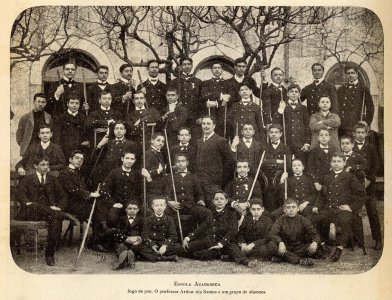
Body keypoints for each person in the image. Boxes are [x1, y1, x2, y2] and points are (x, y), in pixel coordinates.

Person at [16, 154, 77, 266]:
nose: (45, 167)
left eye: (47, 165)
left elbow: (63, 196)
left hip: (49, 213)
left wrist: (59, 207)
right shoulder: (27, 179)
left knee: (55, 218)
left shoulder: (52, 179)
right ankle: (63, 214)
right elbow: (20, 194)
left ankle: (50, 255)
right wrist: (26, 202)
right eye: (42, 165)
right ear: (35, 166)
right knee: (37, 206)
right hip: (30, 212)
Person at [312, 153, 367, 262]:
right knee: (314, 219)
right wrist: (316, 206)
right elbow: (322, 195)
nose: (336, 164)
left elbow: (363, 194)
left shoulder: (350, 177)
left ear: (344, 163)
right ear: (331, 163)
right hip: (329, 209)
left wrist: (351, 207)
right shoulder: (327, 177)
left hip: (342, 210)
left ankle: (339, 248)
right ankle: (323, 245)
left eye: (339, 161)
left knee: (345, 220)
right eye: (334, 161)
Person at [58, 150, 103, 250]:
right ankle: (95, 242)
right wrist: (90, 194)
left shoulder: (79, 172)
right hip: (70, 205)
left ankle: (97, 239)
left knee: (100, 208)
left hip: (80, 203)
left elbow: (83, 188)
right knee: (97, 212)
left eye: (82, 159)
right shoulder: (64, 173)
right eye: (77, 158)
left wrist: (93, 191)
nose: (79, 161)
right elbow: (73, 190)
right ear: (70, 159)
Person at [182, 191, 238, 262]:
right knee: (187, 248)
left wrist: (221, 244)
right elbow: (202, 227)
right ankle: (216, 254)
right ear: (213, 201)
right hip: (209, 241)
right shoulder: (211, 213)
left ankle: (217, 253)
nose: (219, 201)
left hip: (224, 243)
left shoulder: (231, 213)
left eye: (222, 199)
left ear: (226, 201)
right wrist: (188, 238)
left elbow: (233, 231)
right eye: (216, 199)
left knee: (203, 254)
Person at [163, 153, 211, 235]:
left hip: (191, 207)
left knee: (207, 213)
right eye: (178, 161)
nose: (180, 163)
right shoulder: (170, 177)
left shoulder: (194, 177)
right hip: (175, 207)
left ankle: (200, 235)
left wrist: (200, 200)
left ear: (187, 163)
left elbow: (199, 193)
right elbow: (166, 194)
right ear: (175, 163)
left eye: (183, 161)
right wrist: (169, 202)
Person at [352, 122, 382, 250]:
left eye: (362, 132)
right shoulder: (350, 147)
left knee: (372, 211)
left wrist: (369, 179)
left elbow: (376, 165)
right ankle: (356, 240)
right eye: (357, 132)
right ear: (354, 134)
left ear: (366, 134)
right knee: (354, 212)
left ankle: (377, 239)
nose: (360, 135)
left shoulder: (371, 148)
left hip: (369, 185)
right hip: (354, 185)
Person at [196, 116, 236, 206]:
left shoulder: (220, 140)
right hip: (200, 182)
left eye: (208, 124)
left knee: (213, 208)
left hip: (214, 183)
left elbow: (231, 161)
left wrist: (221, 177)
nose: (205, 126)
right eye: (203, 124)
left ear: (214, 126)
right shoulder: (199, 141)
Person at [269, 198, 321, 267]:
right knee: (271, 245)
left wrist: (315, 242)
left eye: (293, 207)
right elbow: (272, 233)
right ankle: (299, 260)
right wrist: (280, 242)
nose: (291, 210)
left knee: (315, 247)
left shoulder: (303, 219)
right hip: (285, 246)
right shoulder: (280, 220)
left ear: (298, 209)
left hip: (299, 247)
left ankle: (283, 257)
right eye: (288, 207)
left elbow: (315, 234)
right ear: (284, 210)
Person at [99, 150, 142, 229]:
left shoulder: (137, 174)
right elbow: (104, 189)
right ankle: (116, 237)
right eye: (127, 158)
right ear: (122, 159)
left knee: (148, 213)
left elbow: (140, 191)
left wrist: (135, 203)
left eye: (132, 159)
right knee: (112, 218)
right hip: (118, 204)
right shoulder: (114, 173)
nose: (129, 161)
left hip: (132, 204)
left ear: (135, 160)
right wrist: (113, 203)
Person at [91, 121, 138, 188]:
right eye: (116, 129)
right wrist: (99, 145)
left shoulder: (131, 144)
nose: (119, 131)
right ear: (113, 131)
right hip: (106, 174)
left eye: (121, 129)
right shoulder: (107, 143)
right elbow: (95, 159)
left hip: (120, 175)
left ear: (125, 131)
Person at [229, 198, 275, 266]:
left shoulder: (268, 221)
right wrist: (242, 243)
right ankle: (246, 258)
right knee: (232, 245)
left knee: (265, 249)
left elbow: (267, 237)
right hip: (247, 244)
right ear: (250, 210)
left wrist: (253, 244)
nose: (256, 212)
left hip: (258, 245)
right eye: (253, 209)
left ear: (262, 209)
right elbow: (241, 233)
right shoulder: (247, 219)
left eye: (258, 209)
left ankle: (239, 256)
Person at [274, 84, 310, 163]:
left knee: (301, 163)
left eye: (296, 92)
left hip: (300, 143)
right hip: (286, 142)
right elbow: (275, 124)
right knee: (287, 164)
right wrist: (280, 109)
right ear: (287, 94)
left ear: (299, 94)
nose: (294, 93)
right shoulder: (283, 106)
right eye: (291, 91)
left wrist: (307, 143)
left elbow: (307, 126)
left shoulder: (303, 108)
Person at [138, 197, 182, 262]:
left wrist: (165, 245)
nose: (159, 208)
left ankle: (154, 256)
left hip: (164, 244)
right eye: (156, 205)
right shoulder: (148, 220)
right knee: (138, 247)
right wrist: (152, 245)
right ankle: (165, 258)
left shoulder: (169, 219)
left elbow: (173, 236)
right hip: (152, 244)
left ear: (165, 206)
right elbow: (145, 235)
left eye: (161, 205)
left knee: (178, 246)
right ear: (152, 206)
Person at [261, 124, 292, 212]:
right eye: (271, 132)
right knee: (268, 202)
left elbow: (288, 165)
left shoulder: (286, 147)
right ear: (268, 134)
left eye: (276, 132)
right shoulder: (264, 147)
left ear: (281, 134)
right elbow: (262, 163)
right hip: (267, 179)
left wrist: (269, 161)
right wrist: (277, 161)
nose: (273, 134)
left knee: (280, 201)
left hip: (280, 178)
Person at [337, 64, 374, 136]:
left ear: (357, 74)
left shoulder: (363, 89)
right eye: (348, 73)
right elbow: (337, 106)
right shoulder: (341, 89)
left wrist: (367, 121)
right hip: (342, 125)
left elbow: (370, 107)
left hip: (356, 124)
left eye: (352, 73)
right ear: (345, 75)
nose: (350, 75)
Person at [168, 57, 203, 131]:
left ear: (192, 65)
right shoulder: (174, 82)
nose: (187, 66)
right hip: (179, 116)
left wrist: (201, 116)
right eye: (184, 64)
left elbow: (201, 100)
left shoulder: (198, 82)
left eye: (189, 64)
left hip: (194, 117)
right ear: (180, 66)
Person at [52, 93, 89, 160]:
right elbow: (57, 137)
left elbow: (87, 133)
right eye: (72, 103)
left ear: (80, 104)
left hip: (80, 151)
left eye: (77, 103)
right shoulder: (61, 118)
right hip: (65, 151)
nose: (74, 105)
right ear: (67, 104)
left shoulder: (83, 118)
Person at [200, 62, 231, 135]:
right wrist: (220, 95)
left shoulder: (228, 83)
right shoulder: (206, 83)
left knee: (222, 135)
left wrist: (216, 103)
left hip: (223, 114)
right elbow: (204, 95)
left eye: (219, 68)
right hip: (210, 113)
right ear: (211, 70)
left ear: (222, 70)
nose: (217, 70)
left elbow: (229, 98)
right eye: (215, 68)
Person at [112, 201, 144, 270]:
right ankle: (124, 259)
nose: (132, 210)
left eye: (135, 209)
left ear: (138, 210)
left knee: (135, 248)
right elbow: (117, 232)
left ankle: (127, 259)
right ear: (126, 210)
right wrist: (126, 238)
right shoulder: (121, 219)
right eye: (130, 208)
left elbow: (144, 233)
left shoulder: (141, 220)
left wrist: (138, 238)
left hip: (136, 242)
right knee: (121, 247)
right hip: (124, 241)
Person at [141, 132, 166, 201]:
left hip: (160, 186)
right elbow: (144, 171)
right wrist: (158, 171)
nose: (161, 143)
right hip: (152, 187)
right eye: (158, 140)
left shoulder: (159, 153)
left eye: (163, 141)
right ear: (152, 141)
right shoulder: (148, 153)